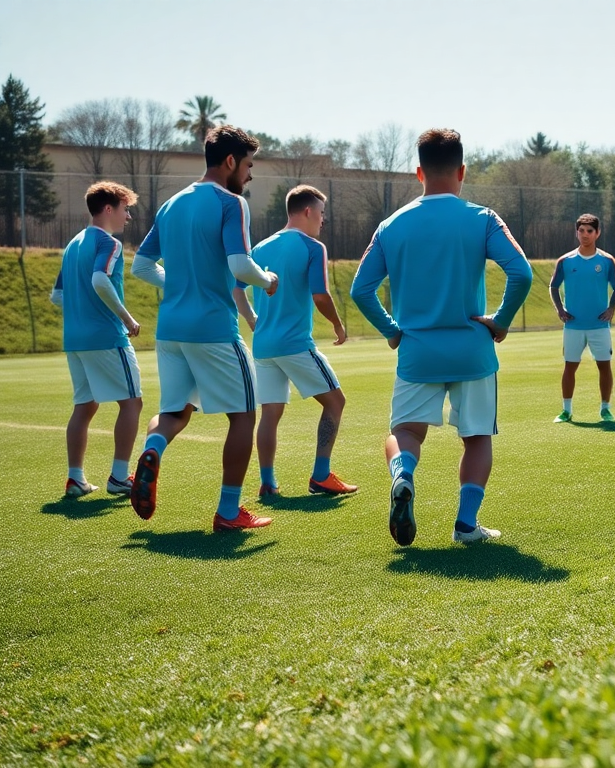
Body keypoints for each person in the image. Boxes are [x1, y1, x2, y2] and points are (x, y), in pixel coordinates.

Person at [351, 128, 532, 547]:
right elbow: (521, 273)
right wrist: (501, 320)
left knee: (406, 433)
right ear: (462, 171)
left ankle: (403, 477)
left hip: (418, 352)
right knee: (476, 437)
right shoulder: (483, 218)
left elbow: (360, 290)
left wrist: (392, 331)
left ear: (419, 172)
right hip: (472, 351)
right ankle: (466, 526)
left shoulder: (391, 225)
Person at [128, 126, 280, 532]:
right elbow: (240, 266)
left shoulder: (171, 205)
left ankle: (153, 447)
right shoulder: (232, 203)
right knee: (244, 415)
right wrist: (267, 280)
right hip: (213, 329)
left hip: (170, 331)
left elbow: (140, 266)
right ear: (230, 161)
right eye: (248, 165)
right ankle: (229, 512)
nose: (249, 176)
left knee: (174, 411)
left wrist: (179, 282)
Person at [233, 184, 356, 500]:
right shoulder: (313, 247)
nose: (323, 220)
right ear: (308, 212)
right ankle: (320, 476)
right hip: (295, 344)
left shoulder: (259, 249)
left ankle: (268, 482)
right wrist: (338, 325)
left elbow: (236, 290)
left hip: (263, 346)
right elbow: (320, 295)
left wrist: (251, 320)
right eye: (322, 213)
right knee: (336, 402)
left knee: (270, 415)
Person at [49, 181, 144, 497]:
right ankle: (119, 477)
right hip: (106, 337)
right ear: (109, 208)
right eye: (125, 209)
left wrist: (81, 314)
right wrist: (126, 317)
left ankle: (75, 478)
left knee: (84, 406)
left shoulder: (72, 244)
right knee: (132, 402)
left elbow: (57, 296)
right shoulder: (110, 244)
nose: (128, 217)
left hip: (75, 340)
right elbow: (100, 279)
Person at [549, 213, 615, 423]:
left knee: (604, 366)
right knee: (570, 366)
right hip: (573, 326)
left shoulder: (607, 261)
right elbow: (553, 286)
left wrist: (611, 309)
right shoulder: (566, 260)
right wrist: (560, 309)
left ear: (597, 233)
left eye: (589, 231)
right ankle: (566, 410)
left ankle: (605, 409)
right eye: (581, 231)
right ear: (576, 232)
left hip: (599, 325)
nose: (585, 235)